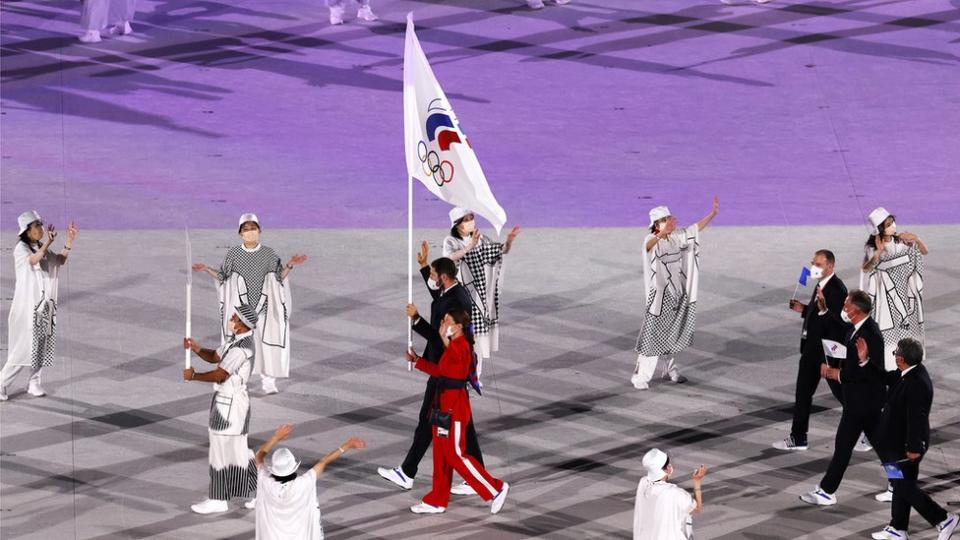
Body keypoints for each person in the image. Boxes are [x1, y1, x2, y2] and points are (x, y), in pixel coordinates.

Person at [377, 245, 483, 496]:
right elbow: (439, 299)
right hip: (448, 370)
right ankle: (471, 474)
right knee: (462, 424)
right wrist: (424, 267)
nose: (432, 279)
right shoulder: (452, 292)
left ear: (444, 277)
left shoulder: (456, 301)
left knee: (429, 419)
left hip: (446, 370)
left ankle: (408, 471)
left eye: (434, 274)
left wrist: (415, 320)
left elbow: (439, 338)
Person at [404, 310, 509, 515]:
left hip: (454, 411)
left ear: (459, 326)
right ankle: (437, 499)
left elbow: (456, 374)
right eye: (443, 320)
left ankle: (495, 488)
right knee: (441, 455)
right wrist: (418, 361)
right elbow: (442, 373)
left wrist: (444, 339)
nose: (443, 323)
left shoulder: (462, 347)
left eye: (447, 321)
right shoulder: (453, 346)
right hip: (443, 408)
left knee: (455, 454)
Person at [193, 213, 306, 395]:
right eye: (246, 229)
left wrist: (290, 265)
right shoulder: (234, 254)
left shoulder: (269, 253)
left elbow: (278, 279)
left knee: (265, 344)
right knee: (236, 345)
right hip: (241, 310)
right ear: (240, 234)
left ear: (260, 230)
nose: (250, 232)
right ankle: (231, 378)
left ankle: (268, 380)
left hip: (264, 308)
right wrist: (207, 269)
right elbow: (223, 277)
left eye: (253, 228)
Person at [800, 290, 886, 507]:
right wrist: (825, 311)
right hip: (863, 402)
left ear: (855, 310)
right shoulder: (858, 327)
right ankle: (899, 484)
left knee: (843, 446)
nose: (844, 308)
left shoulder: (870, 334)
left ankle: (828, 491)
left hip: (863, 403)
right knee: (884, 449)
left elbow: (871, 371)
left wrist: (836, 374)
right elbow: (840, 328)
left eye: (846, 305)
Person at [870, 339, 957, 540]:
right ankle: (898, 528)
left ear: (901, 359)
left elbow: (916, 417)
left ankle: (944, 519)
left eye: (895, 355)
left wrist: (914, 447)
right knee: (900, 486)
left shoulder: (915, 383)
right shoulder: (910, 373)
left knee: (904, 487)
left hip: (904, 447)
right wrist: (866, 361)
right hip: (894, 446)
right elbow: (886, 377)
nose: (895, 358)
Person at [632, 197, 718, 390]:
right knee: (653, 335)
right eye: (666, 220)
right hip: (660, 296)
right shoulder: (651, 240)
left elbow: (693, 230)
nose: (671, 222)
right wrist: (660, 232)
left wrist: (712, 214)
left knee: (671, 331)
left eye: (671, 219)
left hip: (676, 292)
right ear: (657, 224)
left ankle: (669, 369)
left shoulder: (675, 237)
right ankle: (640, 376)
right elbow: (648, 247)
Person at [183, 304, 260, 514]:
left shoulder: (241, 349)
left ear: (243, 324)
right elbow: (216, 357)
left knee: (222, 450)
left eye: (235, 317)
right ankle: (262, 490)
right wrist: (196, 348)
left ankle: (218, 499)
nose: (232, 318)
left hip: (230, 405)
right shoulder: (235, 340)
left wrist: (194, 376)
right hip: (227, 402)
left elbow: (220, 374)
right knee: (237, 450)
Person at [773, 249, 847, 450]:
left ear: (830, 267)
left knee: (845, 395)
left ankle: (871, 424)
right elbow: (820, 316)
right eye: (813, 263)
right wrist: (803, 310)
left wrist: (827, 359)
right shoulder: (821, 285)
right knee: (803, 394)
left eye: (818, 265)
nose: (814, 267)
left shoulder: (838, 290)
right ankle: (798, 438)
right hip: (811, 351)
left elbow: (838, 326)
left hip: (824, 355)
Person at [1, 212, 77, 401]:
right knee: (23, 348)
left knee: (42, 346)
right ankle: (1, 383)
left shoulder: (39, 246)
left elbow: (59, 261)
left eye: (41, 224)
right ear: (27, 231)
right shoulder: (21, 249)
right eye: (36, 225)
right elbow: (33, 260)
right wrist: (48, 244)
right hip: (26, 308)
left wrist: (69, 241)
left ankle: (34, 382)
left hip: (43, 306)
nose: (41, 228)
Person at [254, 423, 366, 540]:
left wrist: (275, 437)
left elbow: (258, 457)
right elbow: (323, 462)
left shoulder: (265, 480)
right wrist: (347, 445)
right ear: (293, 468)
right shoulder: (303, 483)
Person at [443, 208, 520, 373]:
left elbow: (500, 251)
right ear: (457, 224)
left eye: (472, 217)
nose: (470, 221)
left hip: (478, 298)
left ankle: (475, 376)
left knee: (477, 338)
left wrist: (509, 242)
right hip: (460, 298)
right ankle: (459, 373)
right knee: (460, 337)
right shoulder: (451, 241)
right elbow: (449, 259)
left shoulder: (481, 239)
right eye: (466, 219)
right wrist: (468, 247)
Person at [861, 207, 928, 371]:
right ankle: (891, 368)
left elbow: (924, 252)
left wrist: (917, 239)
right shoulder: (872, 248)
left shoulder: (903, 241)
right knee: (887, 334)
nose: (893, 226)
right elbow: (866, 269)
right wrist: (878, 254)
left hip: (905, 292)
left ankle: (910, 364)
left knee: (907, 331)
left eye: (893, 222)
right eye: (888, 224)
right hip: (885, 297)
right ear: (879, 229)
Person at [633, 448, 707, 540]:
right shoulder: (674, 493)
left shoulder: (643, 483)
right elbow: (697, 508)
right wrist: (697, 481)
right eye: (668, 464)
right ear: (667, 469)